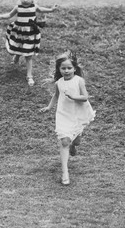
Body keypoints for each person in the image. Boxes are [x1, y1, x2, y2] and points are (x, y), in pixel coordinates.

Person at [40, 50, 95, 185]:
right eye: (63, 68)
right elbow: (56, 95)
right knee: (64, 141)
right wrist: (49, 107)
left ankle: (74, 146)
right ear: (59, 69)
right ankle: (65, 172)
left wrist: (73, 96)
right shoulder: (59, 82)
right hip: (63, 114)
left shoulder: (79, 81)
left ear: (75, 69)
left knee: (76, 141)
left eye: (69, 68)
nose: (66, 71)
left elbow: (85, 97)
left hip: (77, 113)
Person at [0, 0, 57, 86]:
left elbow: (42, 9)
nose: (25, 0)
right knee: (18, 46)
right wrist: (2, 17)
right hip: (18, 32)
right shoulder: (18, 7)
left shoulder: (34, 7)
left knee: (28, 55)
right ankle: (17, 55)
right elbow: (10, 15)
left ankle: (29, 76)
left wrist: (51, 10)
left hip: (30, 33)